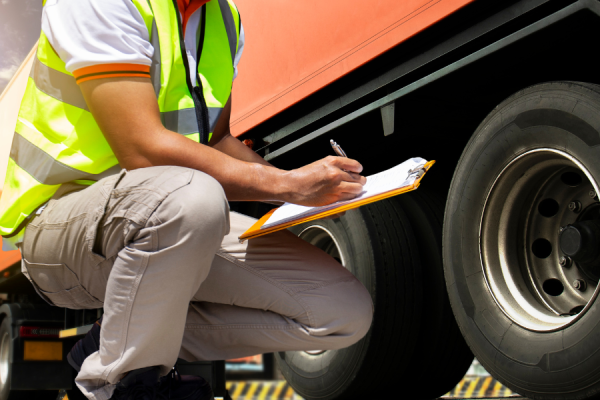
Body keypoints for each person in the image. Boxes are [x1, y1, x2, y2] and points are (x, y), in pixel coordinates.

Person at [0, 0, 374, 399]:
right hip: (62, 228)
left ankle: (110, 345)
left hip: (164, 213)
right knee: (193, 196)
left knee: (340, 312)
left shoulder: (223, 18)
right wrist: (286, 186)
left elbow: (217, 140)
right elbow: (141, 149)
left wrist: (300, 188)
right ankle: (118, 387)